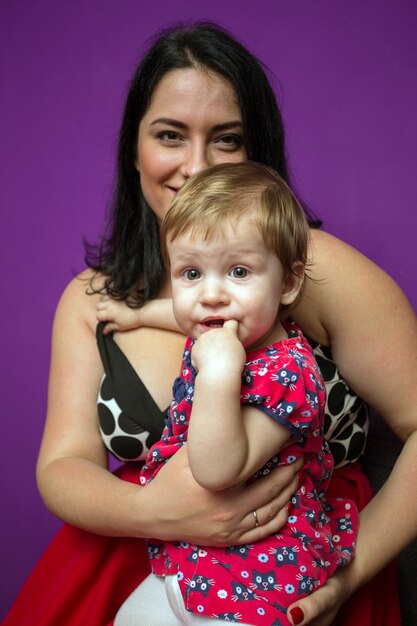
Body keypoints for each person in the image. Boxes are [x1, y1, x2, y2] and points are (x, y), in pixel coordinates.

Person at [2, 20, 416, 626]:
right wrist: (164, 513)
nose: (196, 166)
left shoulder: (311, 268)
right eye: (170, 135)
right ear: (134, 149)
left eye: (226, 140)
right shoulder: (96, 298)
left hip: (291, 578)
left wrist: (342, 579)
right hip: (135, 568)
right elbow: (62, 466)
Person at [111, 161, 359, 626]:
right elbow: (185, 309)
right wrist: (138, 316)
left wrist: (221, 371)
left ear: (287, 283)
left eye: (239, 271)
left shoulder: (287, 373)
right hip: (197, 556)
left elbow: (216, 470)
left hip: (260, 574)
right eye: (190, 273)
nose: (211, 295)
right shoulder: (222, 327)